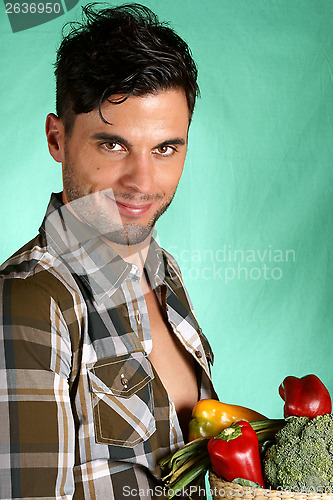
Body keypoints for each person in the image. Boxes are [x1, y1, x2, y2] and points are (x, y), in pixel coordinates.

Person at [0, 4, 217, 499]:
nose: (142, 182)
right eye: (113, 145)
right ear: (58, 138)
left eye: (165, 148)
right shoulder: (32, 302)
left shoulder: (163, 273)